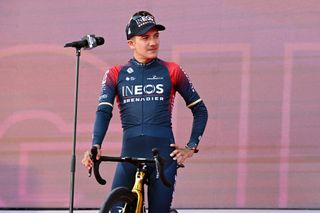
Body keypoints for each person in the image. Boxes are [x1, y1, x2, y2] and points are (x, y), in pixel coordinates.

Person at [81, 10, 208, 213]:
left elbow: (200, 110)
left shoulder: (172, 70)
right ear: (131, 43)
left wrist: (191, 146)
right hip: (130, 155)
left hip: (163, 158)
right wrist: (95, 145)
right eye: (145, 38)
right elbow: (104, 112)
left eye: (156, 36)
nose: (153, 42)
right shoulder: (115, 73)